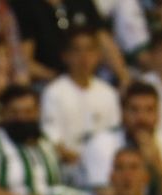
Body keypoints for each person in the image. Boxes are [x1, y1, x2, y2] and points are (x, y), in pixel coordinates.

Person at [81, 82, 162, 195]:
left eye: (149, 110)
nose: (142, 118)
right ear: (123, 114)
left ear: (158, 115)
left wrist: (157, 164)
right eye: (134, 110)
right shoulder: (102, 144)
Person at [39, 27, 121, 170]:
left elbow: (114, 136)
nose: (84, 57)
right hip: (67, 167)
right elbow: (52, 140)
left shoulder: (109, 93)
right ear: (65, 56)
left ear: (98, 55)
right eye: (77, 50)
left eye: (89, 50)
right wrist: (82, 162)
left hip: (104, 167)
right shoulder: (53, 92)